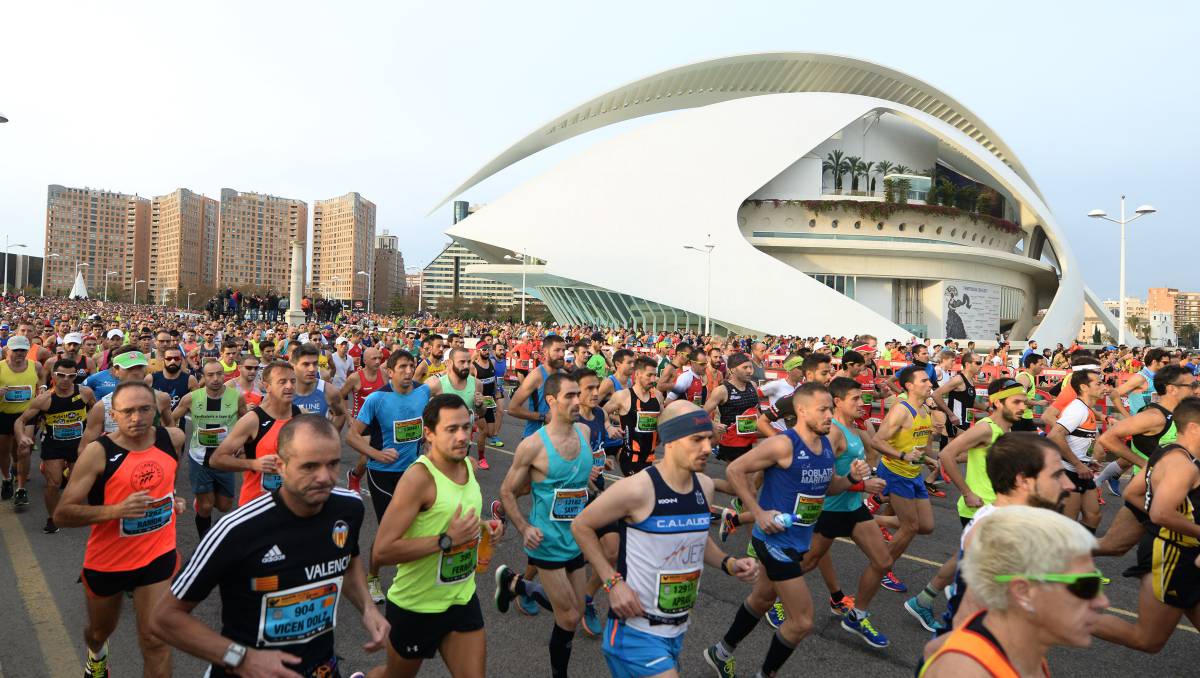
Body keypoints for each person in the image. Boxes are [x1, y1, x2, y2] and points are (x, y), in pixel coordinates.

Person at [153, 415, 389, 677]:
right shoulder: (237, 529)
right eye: (309, 466)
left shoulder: (349, 508)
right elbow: (165, 617)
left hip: (320, 667)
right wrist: (241, 658)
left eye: (332, 464)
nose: (324, 477)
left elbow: (347, 561)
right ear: (280, 466)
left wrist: (368, 609)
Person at [573, 401, 758, 678]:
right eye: (696, 439)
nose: (707, 448)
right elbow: (581, 525)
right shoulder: (638, 489)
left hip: (675, 631)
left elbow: (696, 538)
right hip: (634, 634)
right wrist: (612, 583)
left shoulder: (704, 486)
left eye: (708, 439)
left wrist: (729, 563)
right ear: (670, 441)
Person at [703, 382, 871, 678]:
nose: (829, 415)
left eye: (830, 409)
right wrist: (757, 512)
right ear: (801, 410)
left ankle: (720, 652)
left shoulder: (825, 446)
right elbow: (734, 470)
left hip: (798, 540)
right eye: (823, 409)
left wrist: (851, 479)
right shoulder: (784, 444)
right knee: (802, 621)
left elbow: (828, 487)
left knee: (762, 599)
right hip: (774, 542)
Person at [53, 381, 187, 678]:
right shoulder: (98, 452)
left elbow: (166, 478)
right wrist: (117, 510)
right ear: (113, 414)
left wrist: (171, 499)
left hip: (158, 554)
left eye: (144, 409)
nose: (137, 418)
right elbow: (62, 514)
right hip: (110, 560)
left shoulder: (173, 438)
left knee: (156, 640)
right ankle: (97, 654)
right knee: (99, 631)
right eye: (127, 411)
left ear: (156, 410)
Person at [367, 394, 502, 678]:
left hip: (461, 599)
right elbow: (382, 550)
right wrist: (446, 540)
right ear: (428, 433)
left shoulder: (468, 466)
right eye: (451, 429)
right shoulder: (418, 478)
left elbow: (451, 517)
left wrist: (483, 526)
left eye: (466, 427)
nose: (462, 436)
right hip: (416, 606)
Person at [920, 506, 1108, 677]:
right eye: (1086, 585)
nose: (1102, 601)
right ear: (1023, 592)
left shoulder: (1021, 654)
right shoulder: (969, 670)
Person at [494, 372, 599, 678]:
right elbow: (507, 491)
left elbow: (578, 481)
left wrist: (592, 484)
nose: (578, 400)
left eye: (578, 394)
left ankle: (518, 585)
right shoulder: (533, 446)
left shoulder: (584, 432)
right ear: (551, 401)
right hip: (547, 541)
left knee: (578, 610)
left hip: (576, 538)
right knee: (568, 618)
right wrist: (524, 528)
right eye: (570, 396)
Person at [903, 379, 1028, 632]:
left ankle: (925, 600)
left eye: (1024, 402)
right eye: (1016, 402)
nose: (1023, 407)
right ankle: (965, 609)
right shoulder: (986, 428)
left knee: (966, 558)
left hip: (995, 507)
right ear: (997, 403)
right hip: (979, 508)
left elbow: (962, 455)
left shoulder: (1003, 430)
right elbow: (947, 453)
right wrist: (967, 492)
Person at [1092, 396, 1200, 653]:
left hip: (1179, 550)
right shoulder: (1182, 466)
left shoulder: (1165, 452)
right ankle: (1053, 614)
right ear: (1194, 427)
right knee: (1147, 639)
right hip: (1173, 556)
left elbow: (1133, 493)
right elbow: (1161, 512)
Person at [799, 377, 894, 647]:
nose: (862, 402)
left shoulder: (854, 429)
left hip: (852, 508)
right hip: (829, 511)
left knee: (883, 561)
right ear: (838, 402)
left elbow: (857, 466)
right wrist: (864, 485)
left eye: (862, 397)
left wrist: (870, 479)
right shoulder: (834, 433)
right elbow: (824, 480)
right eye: (855, 398)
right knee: (807, 563)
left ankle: (856, 616)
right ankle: (768, 597)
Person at [347, 349, 432, 603]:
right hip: (383, 474)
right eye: (402, 367)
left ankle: (413, 577)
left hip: (413, 472)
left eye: (411, 366)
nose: (408, 371)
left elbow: (428, 424)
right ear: (390, 372)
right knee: (389, 530)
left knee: (418, 525)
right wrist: (377, 454)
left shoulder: (423, 392)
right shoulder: (377, 399)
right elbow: (352, 436)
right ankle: (373, 576)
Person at [1095, 365, 1194, 556]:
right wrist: (1144, 464)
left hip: (1176, 490)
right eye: (1191, 385)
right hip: (1148, 491)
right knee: (1112, 546)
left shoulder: (1181, 413)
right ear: (1172, 388)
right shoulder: (1154, 416)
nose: (1195, 389)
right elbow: (1107, 438)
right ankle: (1053, 555)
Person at [873, 365, 938, 593]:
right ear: (909, 386)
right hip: (896, 472)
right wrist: (902, 456)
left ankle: (867, 520)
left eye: (929, 380)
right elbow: (877, 441)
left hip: (913, 473)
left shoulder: (925, 410)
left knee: (926, 526)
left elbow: (916, 445)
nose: (930, 384)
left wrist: (928, 459)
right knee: (910, 526)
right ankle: (882, 568)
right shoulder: (901, 410)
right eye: (924, 381)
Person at [13, 358, 96, 532]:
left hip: (78, 444)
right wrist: (21, 437)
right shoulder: (44, 399)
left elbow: (96, 413)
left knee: (77, 483)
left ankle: (69, 506)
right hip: (53, 444)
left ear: (75, 376)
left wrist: (93, 433)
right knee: (53, 483)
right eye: (61, 375)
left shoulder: (85, 393)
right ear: (53, 375)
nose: (66, 380)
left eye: (71, 376)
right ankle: (53, 518)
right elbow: (20, 421)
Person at [170, 358, 246, 538]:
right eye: (210, 375)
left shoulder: (236, 397)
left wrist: (242, 446)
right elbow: (171, 418)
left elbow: (247, 420)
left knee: (224, 506)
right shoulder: (191, 398)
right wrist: (171, 437)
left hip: (225, 459)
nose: (216, 379)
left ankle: (205, 499)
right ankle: (205, 541)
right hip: (199, 459)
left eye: (219, 374)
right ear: (203, 377)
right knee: (205, 507)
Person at [210, 360, 302, 506]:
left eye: (293, 381)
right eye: (282, 382)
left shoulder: (301, 416)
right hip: (256, 504)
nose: (289, 386)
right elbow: (216, 459)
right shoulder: (253, 420)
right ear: (267, 386)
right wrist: (253, 464)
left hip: (293, 503)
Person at [1048, 369, 1107, 532]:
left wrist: (1087, 462)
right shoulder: (1078, 409)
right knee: (1068, 523)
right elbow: (1054, 435)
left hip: (1081, 470)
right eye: (1099, 383)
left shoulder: (1086, 409)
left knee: (1093, 516)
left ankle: (1081, 546)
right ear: (1084, 387)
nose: (1104, 387)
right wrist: (1078, 464)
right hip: (1069, 471)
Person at [82, 348, 175, 447]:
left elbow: (170, 427)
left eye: (139, 367)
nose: (135, 372)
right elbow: (85, 446)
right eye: (129, 368)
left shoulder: (161, 398)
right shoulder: (103, 406)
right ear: (115, 371)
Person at [425, 346, 486, 468]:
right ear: (450, 363)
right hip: (440, 443)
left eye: (468, 362)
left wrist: (480, 405)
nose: (466, 366)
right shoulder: (436, 384)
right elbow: (421, 411)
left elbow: (481, 413)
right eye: (462, 362)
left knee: (457, 472)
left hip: (463, 441)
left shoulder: (477, 384)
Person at [0, 334, 42, 506]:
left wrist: (42, 390)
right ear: (7, 350)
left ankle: (21, 489)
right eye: (16, 350)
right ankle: (6, 479)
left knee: (24, 450)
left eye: (23, 350)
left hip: (26, 415)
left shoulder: (35, 366)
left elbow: (42, 380)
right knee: (3, 452)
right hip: (3, 414)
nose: (19, 353)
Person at [603, 356, 662, 477]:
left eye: (655, 375)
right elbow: (601, 412)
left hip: (650, 457)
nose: (653, 379)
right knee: (641, 486)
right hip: (630, 457)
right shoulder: (623, 396)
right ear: (638, 374)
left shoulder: (658, 396)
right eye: (649, 375)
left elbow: (663, 419)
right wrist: (608, 427)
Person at [342, 346, 387, 492]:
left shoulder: (384, 374)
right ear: (365, 361)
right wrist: (348, 417)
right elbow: (341, 396)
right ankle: (354, 476)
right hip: (362, 421)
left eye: (379, 358)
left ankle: (382, 481)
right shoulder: (355, 377)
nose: (378, 361)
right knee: (367, 453)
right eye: (374, 358)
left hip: (380, 420)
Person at [702, 353, 760, 462]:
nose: (750, 371)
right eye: (745, 367)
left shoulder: (753, 385)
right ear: (733, 370)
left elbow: (756, 410)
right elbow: (702, 414)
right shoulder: (722, 390)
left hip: (751, 439)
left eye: (751, 367)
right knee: (739, 471)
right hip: (732, 442)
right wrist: (714, 424)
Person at [508, 334, 567, 439]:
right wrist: (543, 417)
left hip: (557, 437)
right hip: (535, 437)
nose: (562, 354)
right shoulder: (536, 376)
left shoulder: (563, 374)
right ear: (545, 352)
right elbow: (512, 409)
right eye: (557, 350)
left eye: (563, 350)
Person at [291, 342, 347, 429]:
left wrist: (331, 434)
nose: (312, 369)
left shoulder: (329, 390)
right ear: (293, 365)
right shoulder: (283, 391)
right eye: (306, 364)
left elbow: (341, 414)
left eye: (315, 364)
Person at [472, 342, 505, 448]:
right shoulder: (473, 367)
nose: (487, 351)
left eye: (488, 349)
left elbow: (494, 379)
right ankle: (473, 428)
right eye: (484, 349)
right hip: (479, 402)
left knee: (490, 433)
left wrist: (497, 391)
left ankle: (474, 427)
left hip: (489, 400)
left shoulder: (492, 362)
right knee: (484, 431)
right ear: (478, 351)